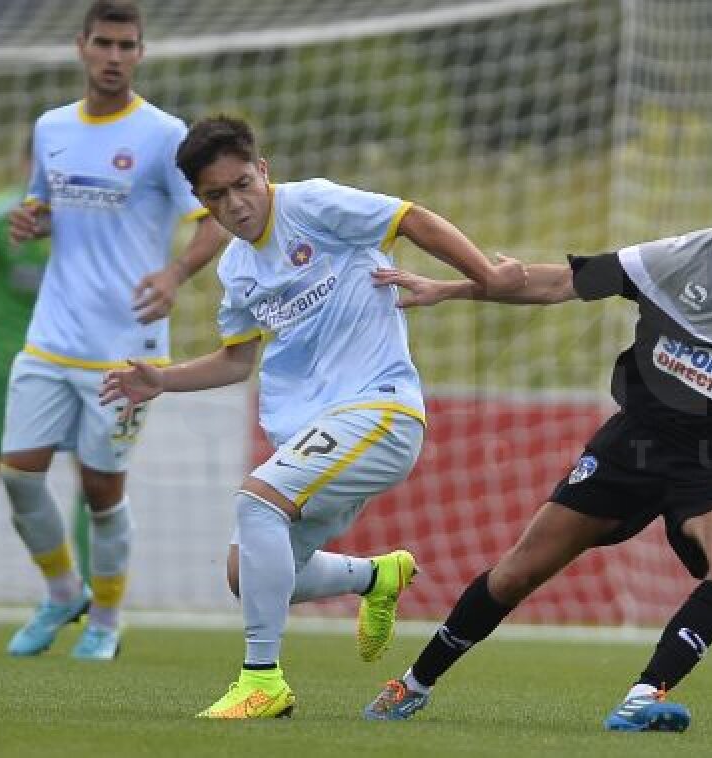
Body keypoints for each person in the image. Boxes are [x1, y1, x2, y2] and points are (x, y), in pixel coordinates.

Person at [364, 142, 712, 732]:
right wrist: (454, 288)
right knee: (519, 571)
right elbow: (561, 284)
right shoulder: (681, 259)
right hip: (636, 443)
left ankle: (642, 696)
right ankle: (412, 684)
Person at [100, 114, 525, 719]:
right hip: (316, 431)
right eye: (217, 196)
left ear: (263, 170)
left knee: (256, 502)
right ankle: (375, 577)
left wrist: (485, 276)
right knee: (245, 574)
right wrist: (161, 380)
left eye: (243, 184)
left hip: (381, 408)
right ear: (201, 201)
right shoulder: (235, 269)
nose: (236, 204)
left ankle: (262, 681)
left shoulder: (314, 204)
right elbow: (234, 362)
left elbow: (412, 218)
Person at [2, 0, 229, 661]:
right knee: (19, 477)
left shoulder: (163, 133)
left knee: (102, 489)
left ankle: (104, 619)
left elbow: (212, 217)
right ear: (80, 47)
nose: (113, 56)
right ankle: (61, 591)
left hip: (123, 345)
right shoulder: (51, 127)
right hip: (51, 332)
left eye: (126, 46)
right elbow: (48, 203)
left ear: (140, 53)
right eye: (102, 43)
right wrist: (33, 221)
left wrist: (176, 274)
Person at [0, 136, 51, 548]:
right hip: (3, 362)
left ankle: (93, 598)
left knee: (100, 481)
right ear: (24, 161)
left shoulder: (94, 226)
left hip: (77, 363)